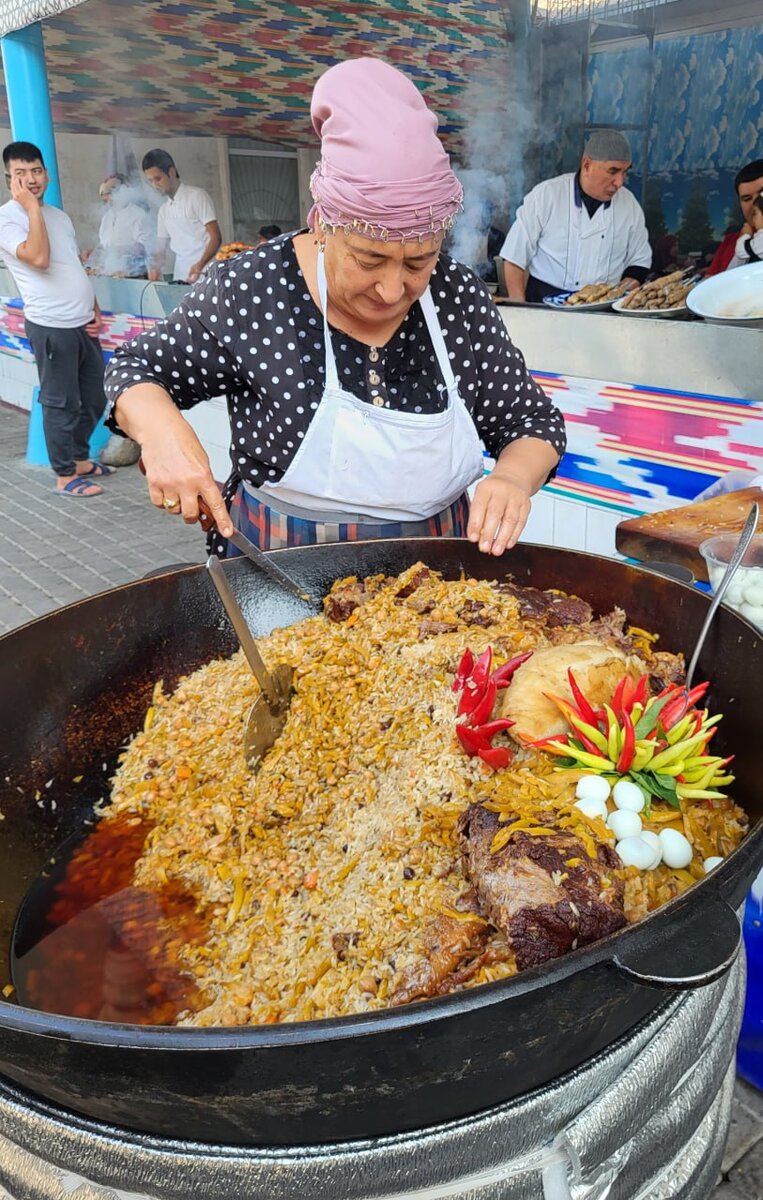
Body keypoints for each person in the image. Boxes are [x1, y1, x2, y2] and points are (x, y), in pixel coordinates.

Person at [105, 58, 565, 557]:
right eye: (370, 259)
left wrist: (514, 478)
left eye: (419, 261)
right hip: (281, 565)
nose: (392, 289)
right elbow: (137, 367)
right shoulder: (253, 287)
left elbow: (530, 422)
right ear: (323, 224)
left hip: (439, 579)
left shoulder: (456, 294)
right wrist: (162, 432)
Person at [0, 141, 113, 497]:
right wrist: (31, 208)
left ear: (46, 173)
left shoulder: (59, 217)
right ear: (9, 180)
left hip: (82, 324)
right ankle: (65, 475)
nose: (31, 179)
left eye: (36, 171)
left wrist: (92, 307)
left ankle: (79, 458)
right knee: (60, 401)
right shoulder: (7, 220)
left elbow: (70, 265)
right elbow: (38, 258)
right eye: (21, 174)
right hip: (51, 326)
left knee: (95, 395)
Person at [499, 130, 652, 304]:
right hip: (544, 305)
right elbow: (514, 257)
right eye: (613, 171)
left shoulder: (629, 205)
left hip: (602, 310)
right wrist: (520, 306)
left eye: (625, 172)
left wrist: (618, 294)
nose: (619, 182)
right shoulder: (547, 195)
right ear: (587, 165)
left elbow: (639, 262)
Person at [142, 149, 221, 284]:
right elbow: (161, 247)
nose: (154, 185)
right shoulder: (164, 210)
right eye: (150, 181)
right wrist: (155, 266)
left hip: (205, 276)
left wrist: (199, 265)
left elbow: (216, 237)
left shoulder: (197, 196)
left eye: (158, 179)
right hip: (180, 277)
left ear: (171, 172)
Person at [85, 174, 154, 278]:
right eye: (105, 201)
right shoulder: (107, 217)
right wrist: (93, 255)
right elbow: (104, 244)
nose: (108, 203)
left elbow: (145, 247)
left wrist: (120, 250)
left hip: (133, 275)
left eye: (109, 198)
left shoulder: (138, 214)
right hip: (112, 273)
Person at [705, 160, 763, 275]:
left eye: (762, 194)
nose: (756, 203)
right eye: (747, 199)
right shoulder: (731, 241)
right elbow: (710, 282)